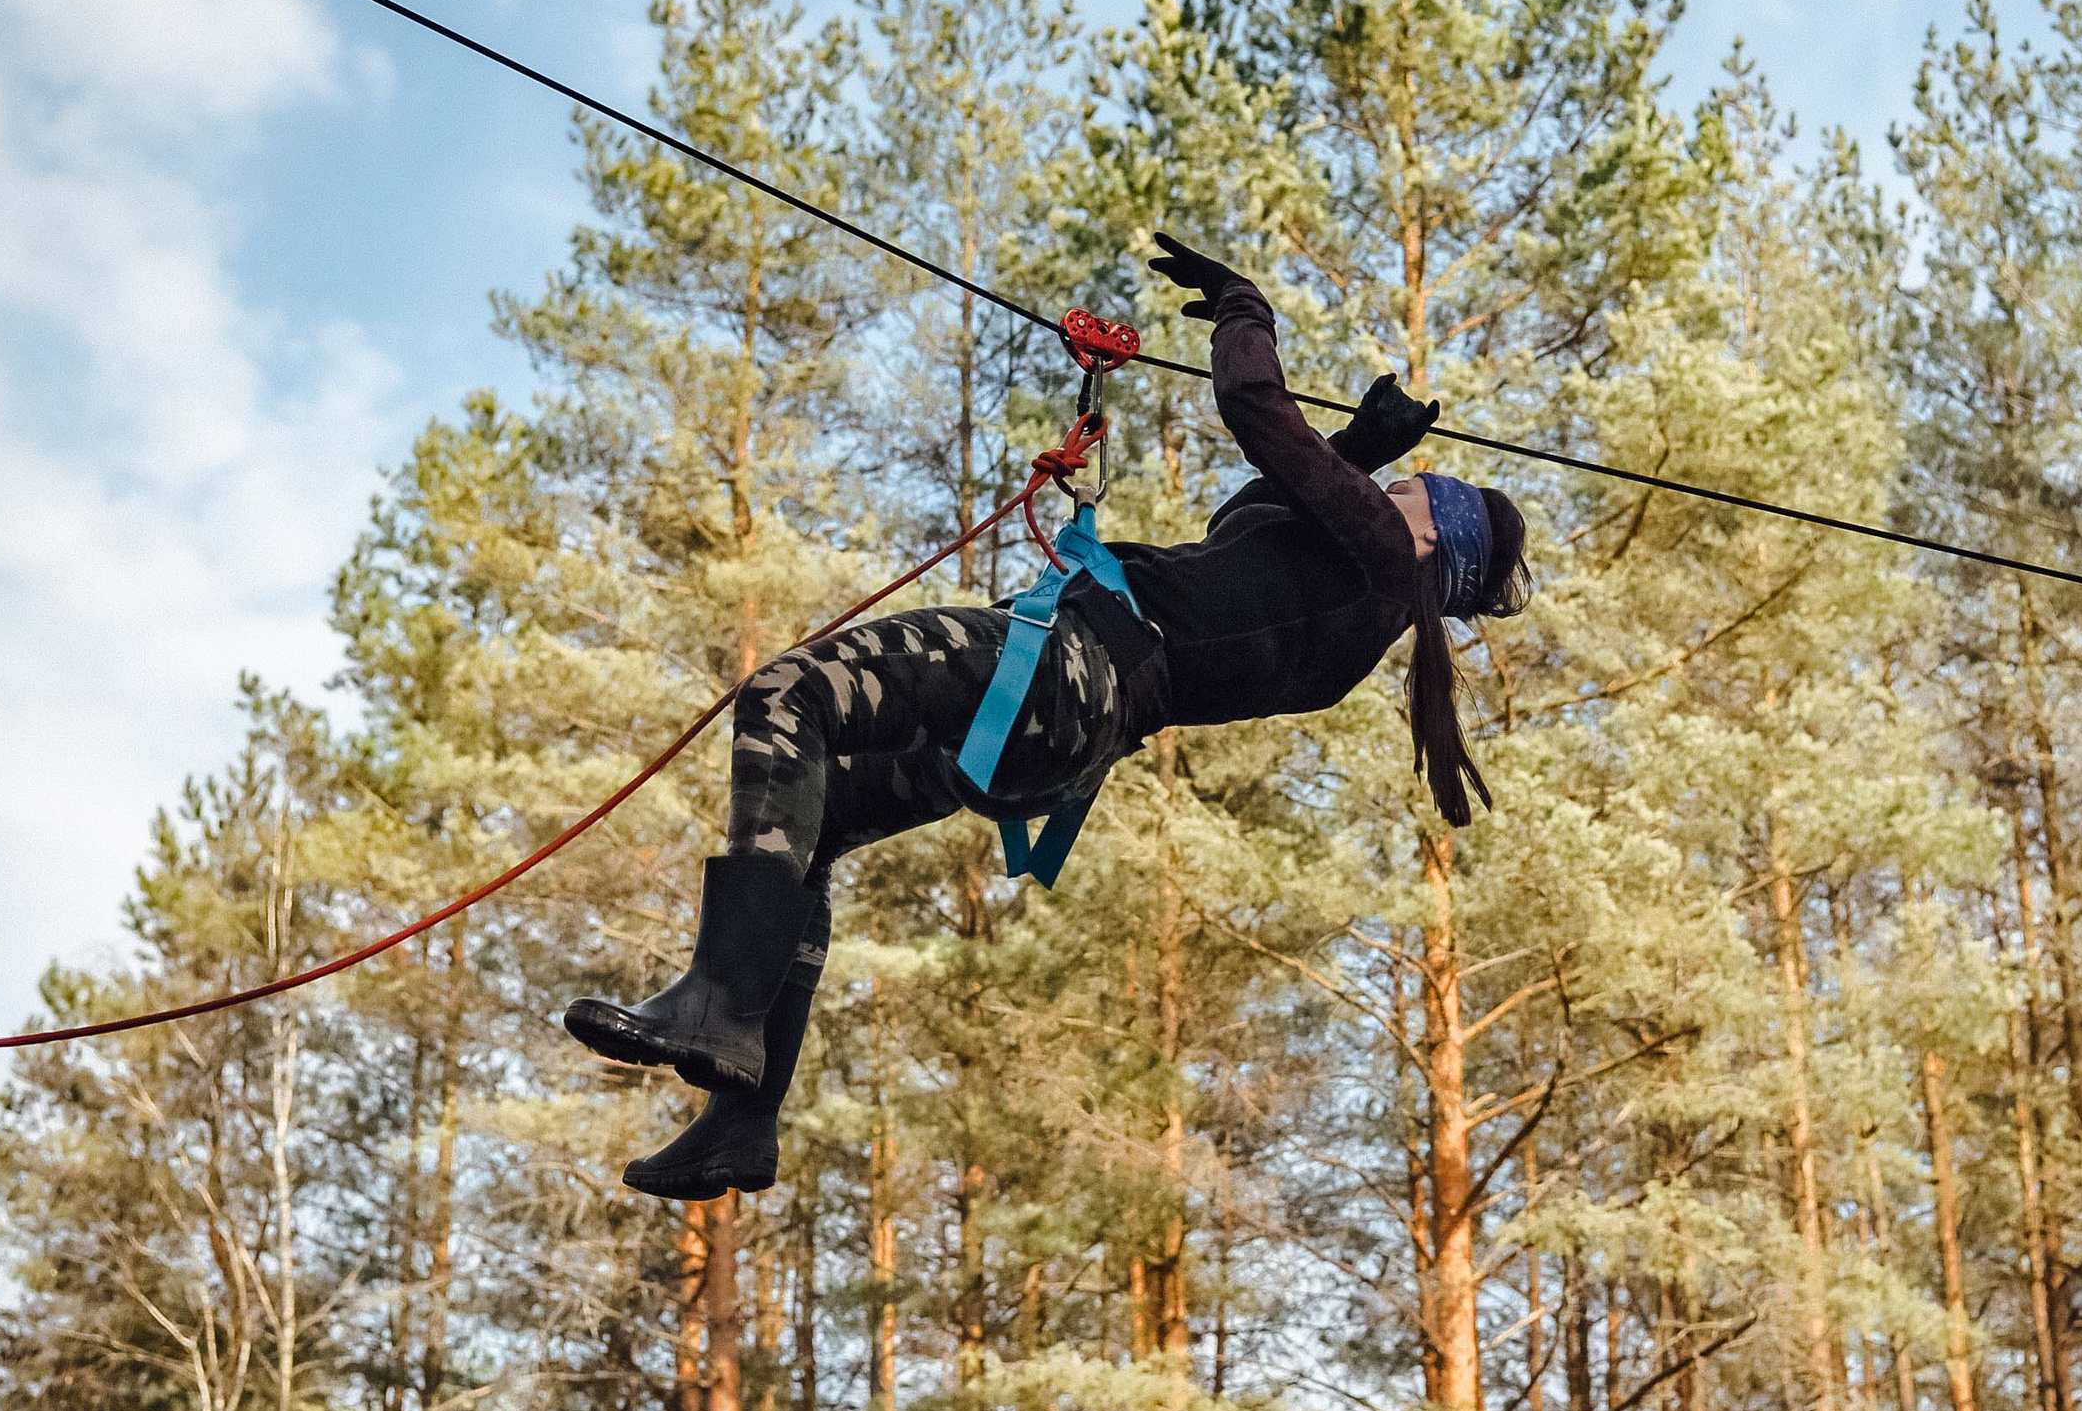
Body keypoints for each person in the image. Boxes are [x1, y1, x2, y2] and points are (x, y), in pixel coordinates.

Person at [564, 234, 1534, 1199]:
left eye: (1402, 488)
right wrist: (1358, 446)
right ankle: (743, 1118)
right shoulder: (1355, 606)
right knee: (817, 816)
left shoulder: (1377, 561)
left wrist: (1248, 307)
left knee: (787, 696)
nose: (1385, 487)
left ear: (1425, 528)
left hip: (1063, 672)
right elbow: (1248, 526)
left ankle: (720, 1001)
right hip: (1057, 737)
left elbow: (1253, 406)